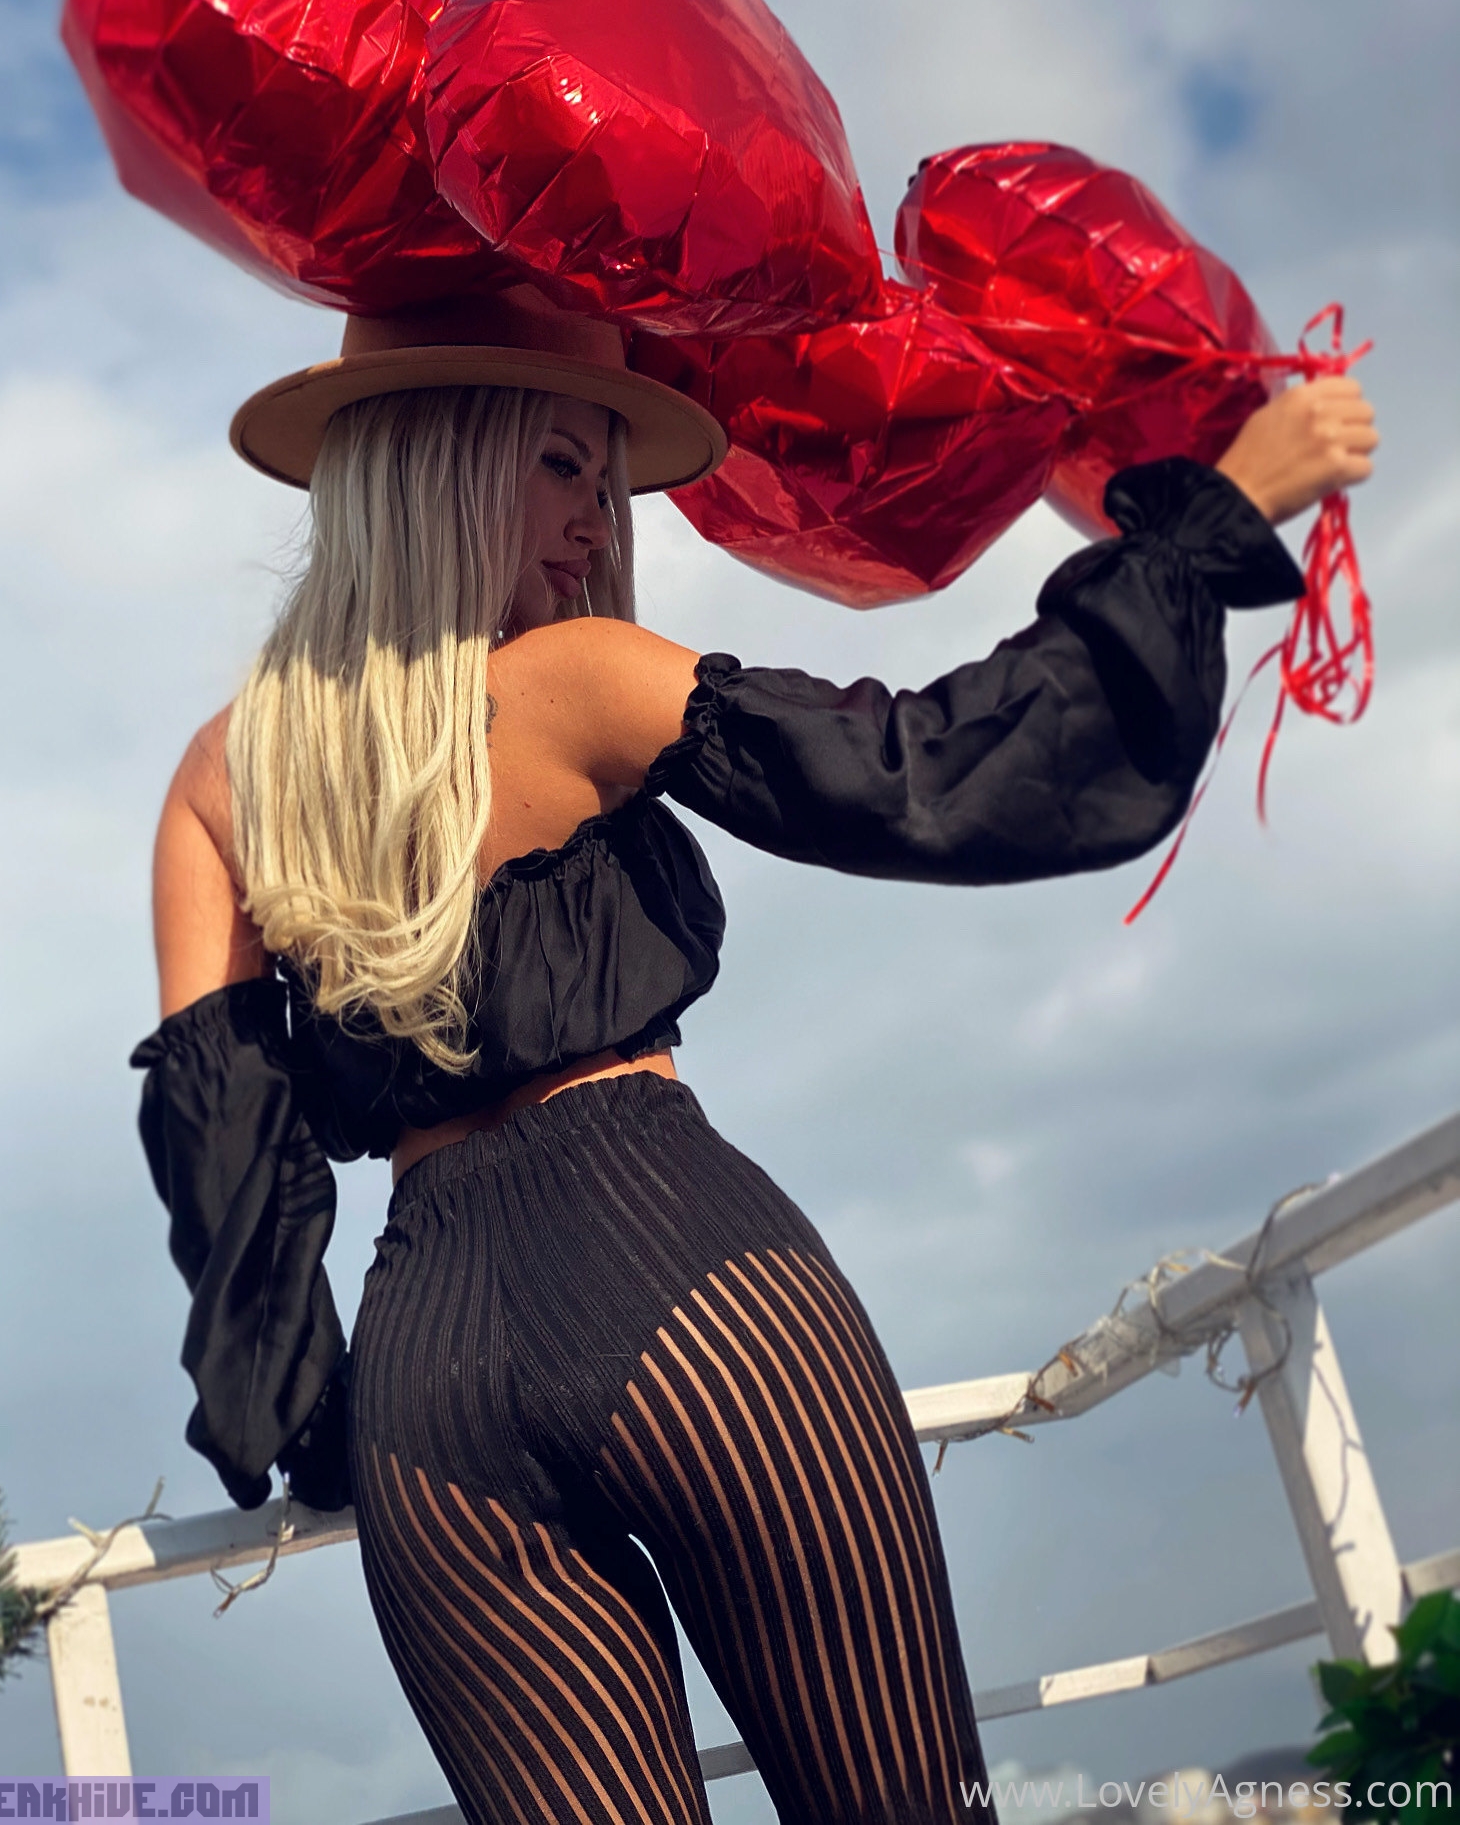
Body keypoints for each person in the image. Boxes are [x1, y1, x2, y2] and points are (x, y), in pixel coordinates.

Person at [132, 285, 1377, 1825]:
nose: (595, 519)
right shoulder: (578, 676)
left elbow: (227, 1169)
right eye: (559, 464)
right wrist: (1212, 522)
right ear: (436, 459)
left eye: (604, 478)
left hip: (428, 1404)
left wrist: (319, 1432)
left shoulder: (222, 777)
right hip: (687, 1290)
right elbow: (933, 773)